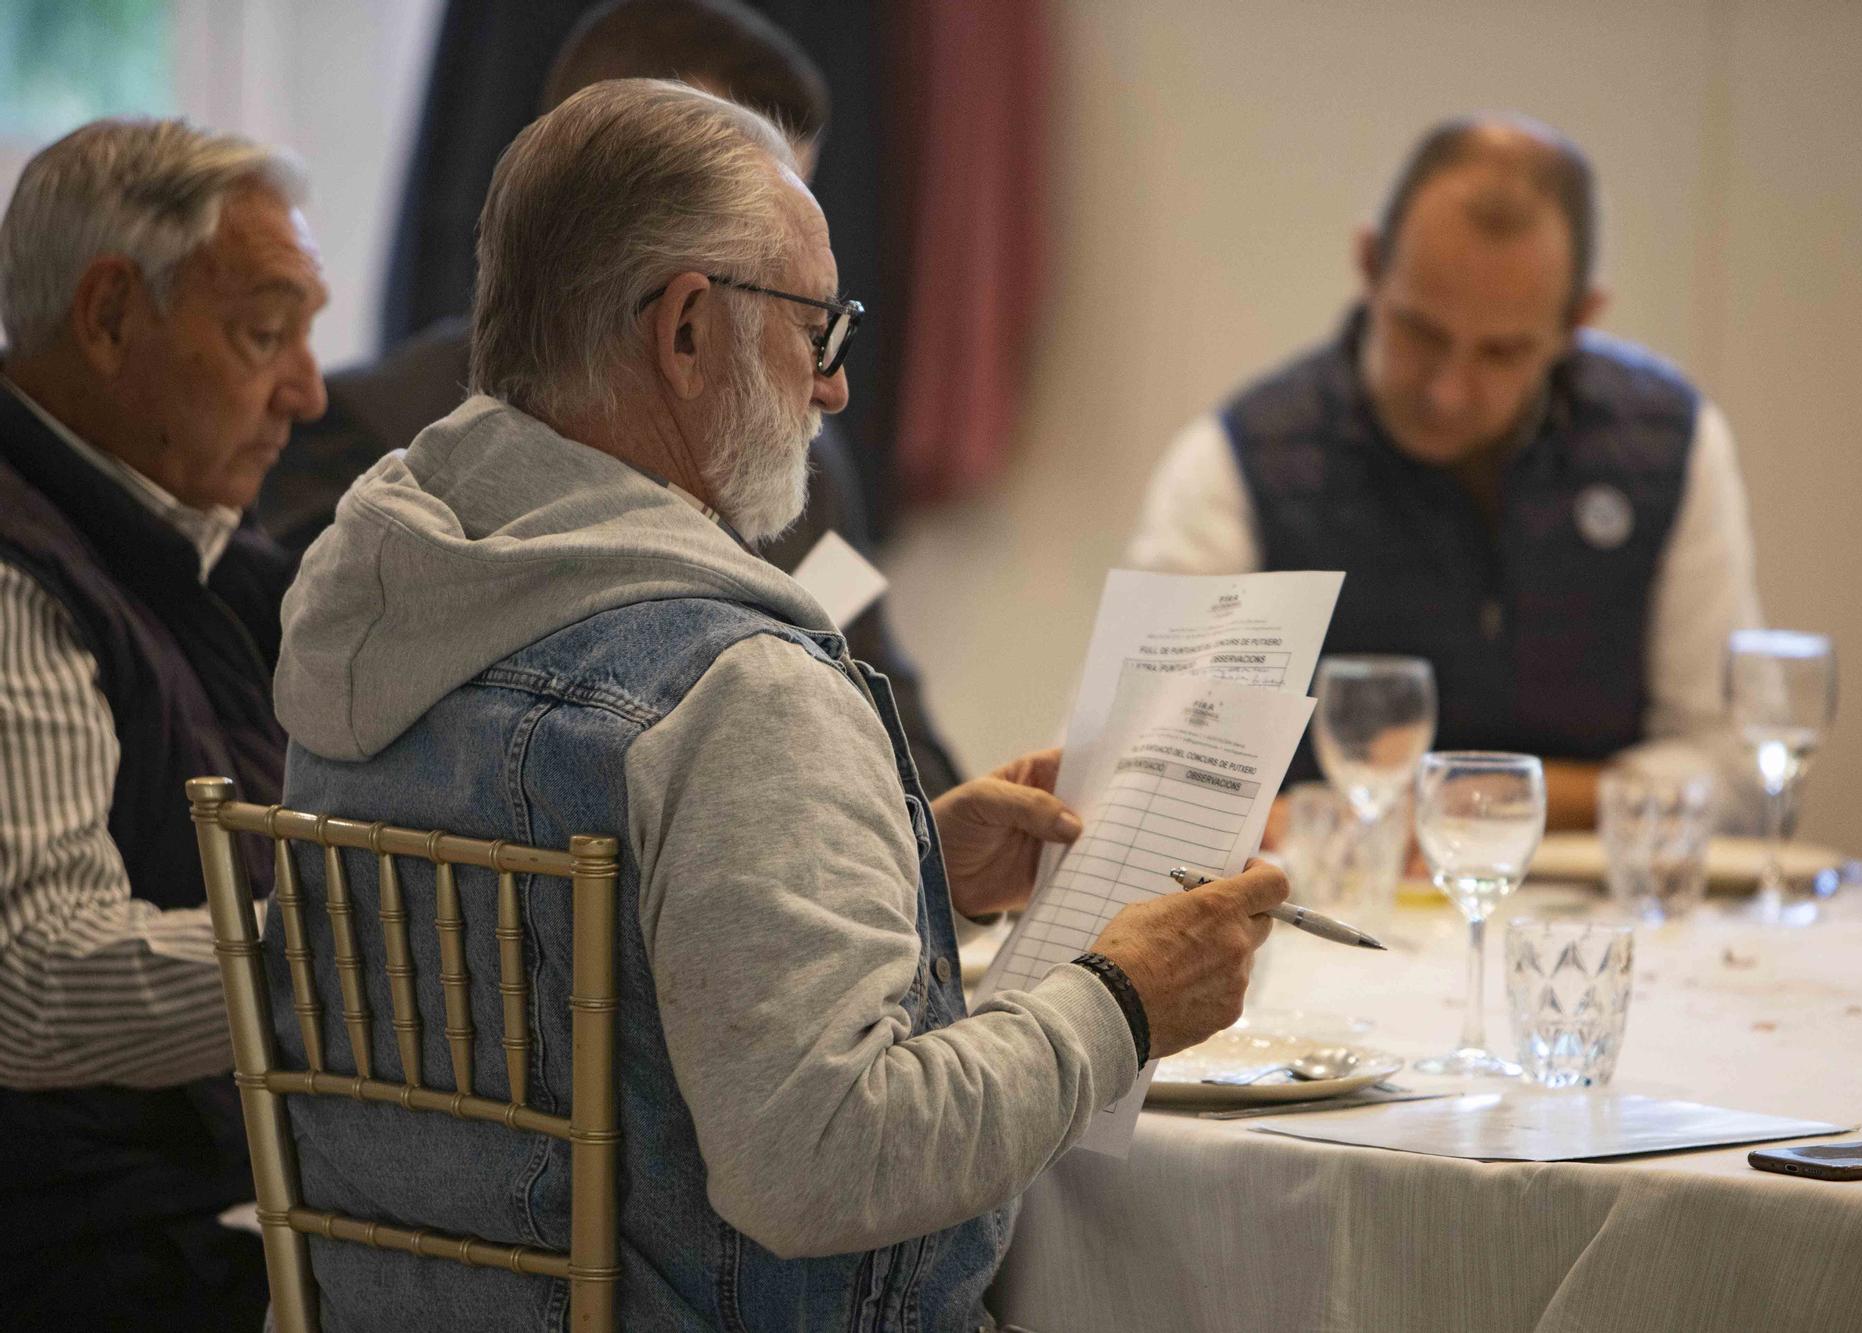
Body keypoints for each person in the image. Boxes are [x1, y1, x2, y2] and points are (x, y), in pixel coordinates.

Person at [272, 81, 1283, 1330]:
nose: (834, 389)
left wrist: (908, 861)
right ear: (688, 328)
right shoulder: (732, 690)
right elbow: (825, 1159)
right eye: (822, 327)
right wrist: (1118, 999)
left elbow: (556, 968)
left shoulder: (374, 603)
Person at [256, 0, 964, 797]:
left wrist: (939, 842)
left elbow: (897, 726)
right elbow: (300, 760)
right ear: (586, 165)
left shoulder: (816, 461)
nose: (825, 382)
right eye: (743, 215)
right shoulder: (375, 440)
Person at [1126, 115, 1761, 830]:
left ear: (1578, 321)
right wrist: (1316, 822)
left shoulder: (1671, 445)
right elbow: (1146, 774)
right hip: (1315, 908)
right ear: (1369, 264)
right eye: (1420, 332)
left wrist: (1473, 799)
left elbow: (1735, 768)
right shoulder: (1237, 461)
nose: (1447, 391)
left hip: (1595, 924)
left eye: (1502, 353)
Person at [0, 117, 328, 1328]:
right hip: (88, 1254)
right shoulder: (17, 574)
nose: (308, 389)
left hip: (206, 1205)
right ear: (108, 316)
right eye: (264, 334)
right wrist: (366, 963)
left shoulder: (208, 546)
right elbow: (29, 973)